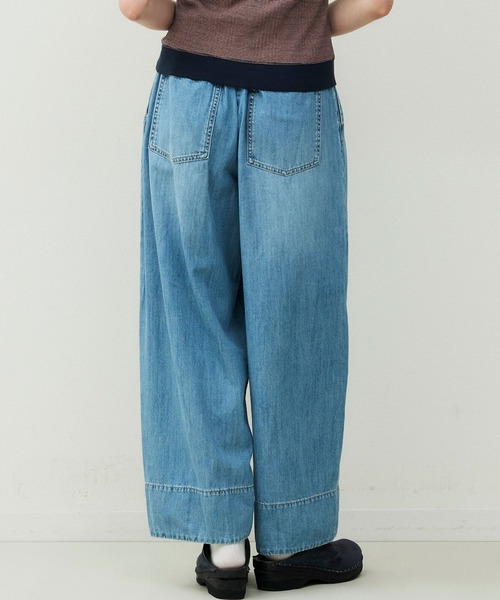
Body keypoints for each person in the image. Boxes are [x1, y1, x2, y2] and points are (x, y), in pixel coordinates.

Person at [119, 0, 394, 597]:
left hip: (187, 103)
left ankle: (221, 544)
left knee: (192, 318)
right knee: (296, 324)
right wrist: (296, 25)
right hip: (295, 102)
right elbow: (376, 3)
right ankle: (290, 541)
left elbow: (139, 8)